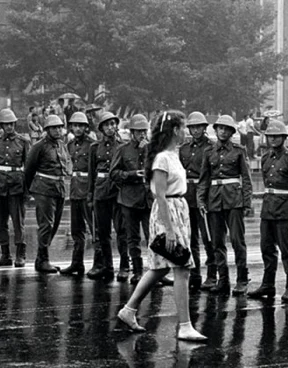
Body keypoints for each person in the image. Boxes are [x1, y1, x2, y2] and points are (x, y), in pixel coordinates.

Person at [116, 110, 207, 342]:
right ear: (175, 130)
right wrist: (168, 228)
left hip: (179, 209)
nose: (186, 131)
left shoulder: (172, 155)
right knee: (182, 268)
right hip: (168, 213)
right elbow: (159, 195)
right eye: (183, 127)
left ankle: (128, 310)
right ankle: (185, 325)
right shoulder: (162, 159)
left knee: (161, 268)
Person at [247, 121, 288, 302]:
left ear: (283, 138)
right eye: (270, 136)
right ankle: (268, 284)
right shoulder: (265, 158)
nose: (273, 139)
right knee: (266, 248)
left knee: (287, 250)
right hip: (268, 209)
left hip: (285, 209)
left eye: (277, 136)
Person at [197, 115, 253, 295]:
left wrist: (247, 202)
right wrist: (201, 200)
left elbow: (246, 178)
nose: (222, 131)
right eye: (220, 128)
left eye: (226, 129)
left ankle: (242, 280)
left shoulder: (239, 151)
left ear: (231, 132)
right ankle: (223, 280)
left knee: (237, 241)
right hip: (214, 201)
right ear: (216, 130)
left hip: (233, 200)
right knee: (217, 242)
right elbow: (204, 179)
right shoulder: (209, 151)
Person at [24, 115, 72, 273]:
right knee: (46, 225)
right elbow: (29, 169)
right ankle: (43, 260)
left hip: (59, 188)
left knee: (55, 225)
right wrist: (29, 191)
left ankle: (41, 258)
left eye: (59, 127)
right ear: (47, 130)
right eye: (54, 128)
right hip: (43, 189)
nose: (58, 130)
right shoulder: (39, 146)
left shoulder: (62, 145)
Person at [110, 114, 152, 284]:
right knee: (132, 237)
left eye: (144, 131)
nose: (142, 135)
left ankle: (157, 271)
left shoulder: (152, 149)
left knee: (153, 237)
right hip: (129, 199)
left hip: (148, 199)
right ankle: (137, 270)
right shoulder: (123, 149)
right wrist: (131, 174)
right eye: (138, 132)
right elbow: (114, 173)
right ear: (132, 132)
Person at [86, 112, 127, 281]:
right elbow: (91, 173)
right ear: (101, 128)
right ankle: (107, 266)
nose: (110, 128)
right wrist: (90, 195)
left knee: (122, 231)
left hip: (117, 191)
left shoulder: (123, 146)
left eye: (113, 124)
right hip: (100, 191)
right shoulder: (95, 147)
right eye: (107, 125)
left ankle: (124, 266)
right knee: (102, 232)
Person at [0, 109, 31, 268]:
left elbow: (28, 168)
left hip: (16, 186)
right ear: (2, 125)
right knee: (1, 223)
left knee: (18, 222)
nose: (8, 127)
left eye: (11, 124)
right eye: (5, 124)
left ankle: (21, 254)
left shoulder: (23, 142)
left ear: (15, 124)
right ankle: (5, 254)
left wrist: (27, 191)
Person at [179, 112, 214, 290]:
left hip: (204, 196)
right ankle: (195, 273)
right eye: (192, 127)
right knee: (190, 237)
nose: (195, 130)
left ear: (204, 128)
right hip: (187, 195)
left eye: (199, 127)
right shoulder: (184, 149)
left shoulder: (211, 148)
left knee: (208, 237)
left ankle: (212, 275)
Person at [61, 112, 95, 276]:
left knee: (94, 229)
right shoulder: (71, 145)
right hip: (75, 190)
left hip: (87, 190)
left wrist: (92, 193)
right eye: (75, 125)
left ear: (86, 127)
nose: (78, 128)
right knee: (76, 230)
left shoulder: (93, 145)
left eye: (81, 125)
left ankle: (99, 263)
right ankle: (77, 263)